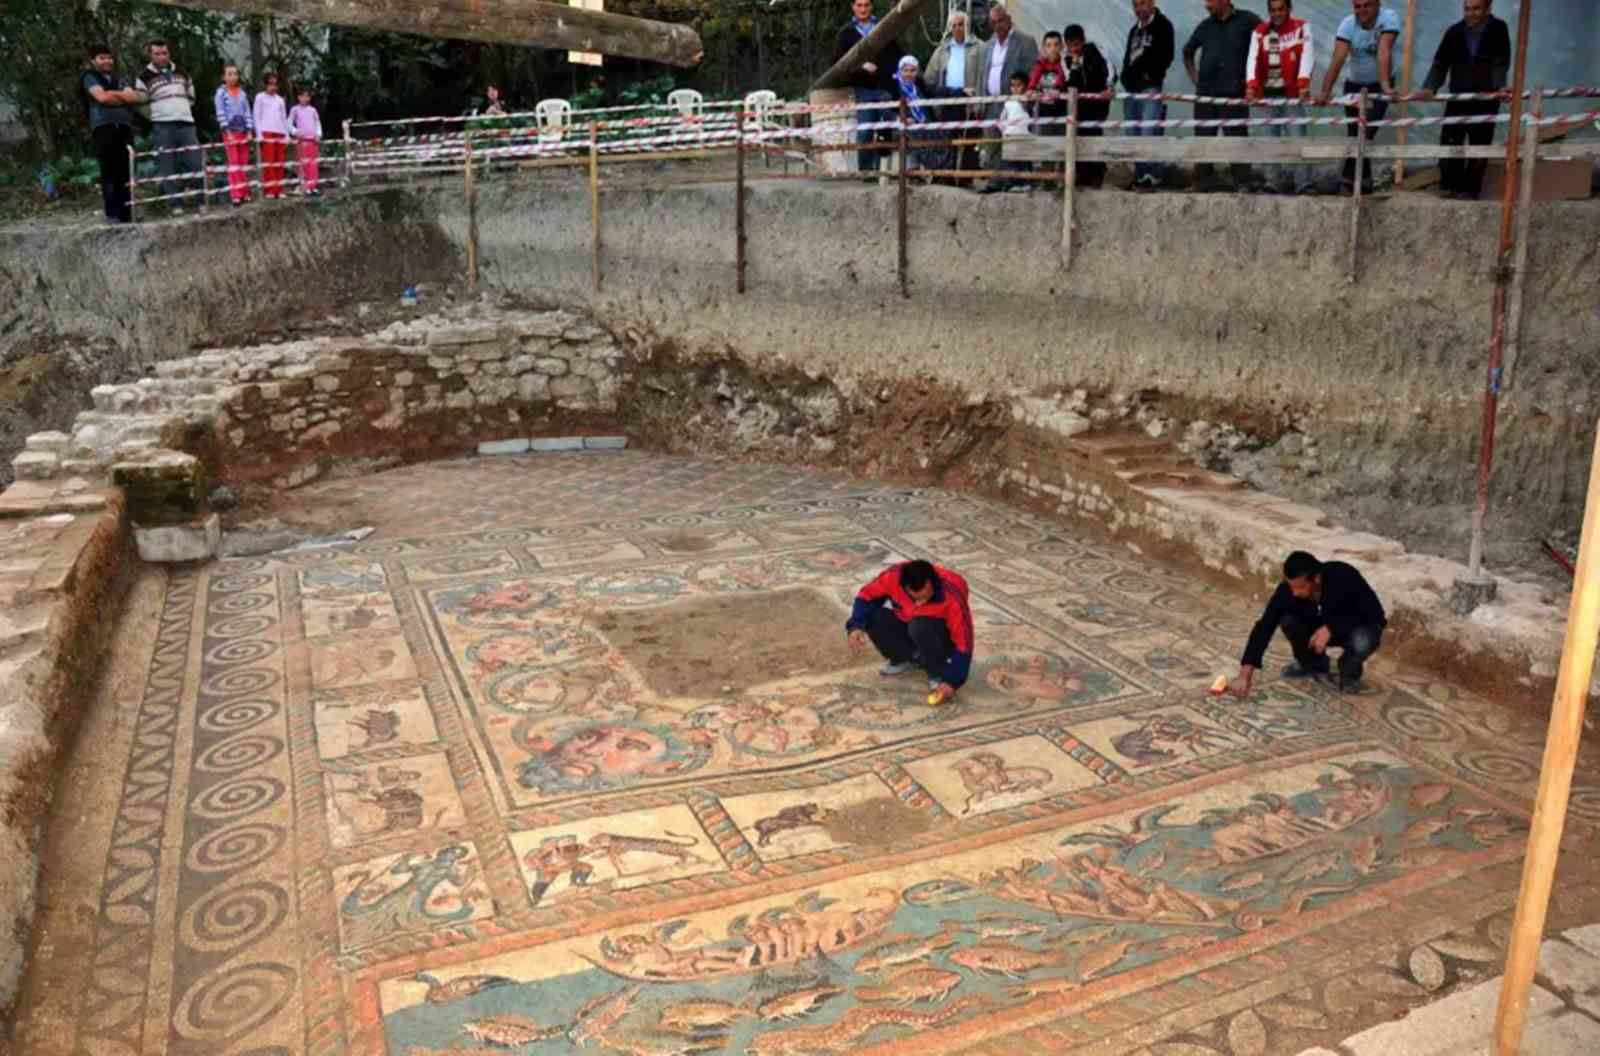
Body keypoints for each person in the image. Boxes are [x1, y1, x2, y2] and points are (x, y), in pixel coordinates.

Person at [1227, 550, 1387, 698]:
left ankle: (1349, 671)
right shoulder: (1288, 590)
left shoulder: (1343, 575)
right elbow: (1265, 626)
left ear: (1316, 578)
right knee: (1288, 621)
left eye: (1301, 587)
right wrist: (1244, 675)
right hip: (1318, 631)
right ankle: (1312, 663)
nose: (1295, 592)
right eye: (1292, 586)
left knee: (1363, 640)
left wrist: (1332, 627)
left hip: (1354, 628)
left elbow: (1375, 615)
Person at [847, 559, 975, 705]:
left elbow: (964, 643)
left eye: (925, 597)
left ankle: (937, 672)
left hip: (938, 637)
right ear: (904, 586)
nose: (920, 604)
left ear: (933, 582)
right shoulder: (893, 577)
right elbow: (865, 598)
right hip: (908, 623)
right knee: (873, 616)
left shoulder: (952, 593)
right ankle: (906, 658)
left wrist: (952, 681)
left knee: (919, 624)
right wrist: (855, 626)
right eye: (915, 597)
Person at [1420, 0, 1512, 200]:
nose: (1471, 13)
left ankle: (1470, 189)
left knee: (1480, 143)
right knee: (1451, 141)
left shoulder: (1498, 29)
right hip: (1458, 96)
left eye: (1476, 9)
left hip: (1486, 97)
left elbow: (1501, 61)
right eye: (1467, 9)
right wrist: (1430, 87)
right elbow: (1440, 63)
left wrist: (1500, 87)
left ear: (1488, 8)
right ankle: (1449, 185)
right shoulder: (1454, 32)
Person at [1318, 0, 1401, 193]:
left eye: (1367, 5)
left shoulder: (1388, 18)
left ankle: (1347, 179)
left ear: (1378, 4)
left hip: (1379, 86)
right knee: (1355, 133)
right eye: (1357, 6)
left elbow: (1383, 51)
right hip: (1354, 85)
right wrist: (1325, 90)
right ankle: (1364, 182)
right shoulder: (1347, 24)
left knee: (1367, 132)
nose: (1362, 10)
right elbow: (1338, 58)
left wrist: (1385, 86)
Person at [1183, 0, 1263, 192]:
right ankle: (1202, 182)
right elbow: (1187, 51)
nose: (1206, 5)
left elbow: (1265, 44)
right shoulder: (1205, 25)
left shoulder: (1248, 20)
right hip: (1205, 95)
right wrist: (1196, 79)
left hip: (1234, 93)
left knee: (1236, 139)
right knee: (1203, 138)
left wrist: (1255, 80)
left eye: (1210, 1)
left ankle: (1243, 183)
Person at [1246, 0, 1315, 194]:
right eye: (1273, 10)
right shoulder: (1259, 31)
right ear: (1269, 12)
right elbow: (1252, 58)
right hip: (1266, 97)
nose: (1277, 13)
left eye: (1281, 9)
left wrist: (1303, 83)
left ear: (1289, 9)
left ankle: (1304, 184)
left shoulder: (1302, 27)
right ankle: (1272, 183)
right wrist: (1251, 86)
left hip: (1292, 96)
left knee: (1298, 139)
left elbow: (1308, 55)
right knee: (1269, 141)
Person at [973, 3, 1040, 185]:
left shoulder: (1026, 41)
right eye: (993, 22)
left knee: (1016, 144)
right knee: (992, 145)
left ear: (1009, 19)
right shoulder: (987, 46)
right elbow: (981, 76)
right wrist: (979, 102)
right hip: (990, 104)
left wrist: (1025, 99)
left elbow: (1033, 72)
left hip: (1015, 105)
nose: (997, 26)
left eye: (1000, 21)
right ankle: (995, 182)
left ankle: (1020, 181)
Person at [834, 0, 903, 173]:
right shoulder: (846, 33)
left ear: (871, 6)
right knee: (865, 132)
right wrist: (861, 67)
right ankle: (866, 173)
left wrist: (891, 74)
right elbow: (839, 64)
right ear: (853, 7)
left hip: (885, 87)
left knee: (888, 126)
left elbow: (896, 55)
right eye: (859, 5)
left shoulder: (883, 27)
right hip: (862, 89)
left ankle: (887, 170)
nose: (863, 9)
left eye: (866, 5)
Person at [134, 39, 202, 214]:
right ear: (151, 55)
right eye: (157, 53)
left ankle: (202, 200)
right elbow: (141, 104)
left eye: (164, 53)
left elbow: (191, 96)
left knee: (195, 162)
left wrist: (180, 110)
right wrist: (159, 115)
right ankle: (175, 205)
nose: (162, 56)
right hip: (162, 126)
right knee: (167, 165)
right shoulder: (143, 77)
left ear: (169, 53)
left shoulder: (182, 72)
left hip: (186, 123)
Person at [1121, 0, 1177, 191]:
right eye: (1136, 5)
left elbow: (1167, 55)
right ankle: (1139, 175)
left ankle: (1153, 176)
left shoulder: (1163, 25)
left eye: (1143, 3)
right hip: (1131, 90)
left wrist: (1149, 75)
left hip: (1150, 87)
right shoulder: (1133, 30)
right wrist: (1125, 78)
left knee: (1149, 131)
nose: (1139, 8)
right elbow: (1127, 57)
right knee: (1132, 134)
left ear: (1153, 3)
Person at [83, 44, 141, 225]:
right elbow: (102, 97)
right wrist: (120, 96)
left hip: (124, 128)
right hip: (103, 128)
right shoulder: (90, 77)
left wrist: (113, 95)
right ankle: (113, 215)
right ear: (93, 61)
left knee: (126, 171)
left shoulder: (119, 78)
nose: (107, 61)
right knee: (109, 172)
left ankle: (127, 214)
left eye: (109, 57)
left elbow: (134, 97)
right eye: (102, 58)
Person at [925, 9, 980, 178]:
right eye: (954, 25)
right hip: (948, 101)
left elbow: (984, 74)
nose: (957, 29)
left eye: (961, 25)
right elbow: (929, 78)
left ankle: (966, 179)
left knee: (969, 140)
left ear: (967, 26)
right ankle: (944, 177)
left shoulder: (980, 48)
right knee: (946, 140)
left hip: (970, 100)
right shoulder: (942, 50)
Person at [1064, 24, 1113, 189]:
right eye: (1070, 45)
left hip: (1097, 105)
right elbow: (1069, 83)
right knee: (1079, 138)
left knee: (1095, 135)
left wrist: (1109, 87)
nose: (1074, 49)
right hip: (1078, 107)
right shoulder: (1066, 59)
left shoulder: (1095, 51)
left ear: (1083, 41)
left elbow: (1110, 71)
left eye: (1077, 45)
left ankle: (1098, 172)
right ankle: (1083, 175)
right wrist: (1075, 65)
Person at [893, 55, 957, 173]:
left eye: (912, 71)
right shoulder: (894, 87)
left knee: (944, 133)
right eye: (905, 70)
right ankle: (925, 171)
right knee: (918, 136)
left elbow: (936, 91)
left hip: (923, 123)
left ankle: (942, 173)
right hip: (902, 126)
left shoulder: (918, 86)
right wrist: (902, 118)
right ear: (900, 71)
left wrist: (959, 91)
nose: (909, 74)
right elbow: (887, 108)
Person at [214, 64, 254, 207]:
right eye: (229, 74)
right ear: (223, 77)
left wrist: (249, 131)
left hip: (243, 131)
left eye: (235, 74)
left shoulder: (242, 93)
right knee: (234, 163)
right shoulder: (221, 93)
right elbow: (220, 113)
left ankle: (245, 192)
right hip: (230, 132)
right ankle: (236, 194)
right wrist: (227, 132)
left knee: (243, 163)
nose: (232, 77)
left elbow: (247, 112)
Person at [996, 70, 1034, 192]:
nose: (1015, 88)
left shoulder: (1028, 101)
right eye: (1012, 85)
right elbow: (1001, 119)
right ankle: (1013, 184)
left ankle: (1026, 183)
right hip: (1010, 135)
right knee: (1011, 161)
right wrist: (1005, 130)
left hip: (1024, 135)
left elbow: (1032, 115)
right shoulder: (1008, 101)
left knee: (1024, 161)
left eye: (1019, 85)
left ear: (1025, 86)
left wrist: (1025, 100)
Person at [253, 71, 289, 199]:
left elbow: (284, 118)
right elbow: (256, 116)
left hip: (280, 132)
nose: (273, 87)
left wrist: (287, 135)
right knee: (269, 162)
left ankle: (279, 190)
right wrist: (259, 133)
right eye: (270, 84)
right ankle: (270, 190)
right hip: (266, 132)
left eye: (275, 84)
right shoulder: (259, 97)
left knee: (279, 162)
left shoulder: (280, 100)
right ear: (265, 85)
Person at [289, 87, 324, 197]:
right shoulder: (295, 109)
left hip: (313, 141)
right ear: (298, 97)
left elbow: (318, 123)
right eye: (302, 96)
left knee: (313, 164)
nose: (305, 98)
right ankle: (305, 187)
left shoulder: (313, 110)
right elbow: (288, 123)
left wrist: (318, 134)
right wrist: (295, 132)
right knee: (303, 164)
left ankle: (313, 186)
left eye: (307, 96)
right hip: (301, 141)